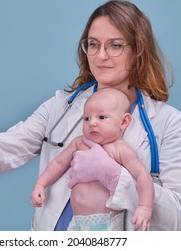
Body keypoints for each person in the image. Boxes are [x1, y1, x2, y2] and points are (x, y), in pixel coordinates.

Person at [0, 0, 181, 231]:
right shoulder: (61, 106)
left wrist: (117, 178)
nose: (101, 55)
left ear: (138, 50)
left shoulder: (167, 122)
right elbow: (9, 147)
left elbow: (179, 217)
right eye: (93, 44)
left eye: (115, 45)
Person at [31, 88, 154, 231]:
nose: (92, 123)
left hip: (106, 225)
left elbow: (142, 176)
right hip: (76, 223)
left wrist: (145, 207)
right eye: (87, 118)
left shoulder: (120, 150)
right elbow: (58, 163)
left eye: (101, 117)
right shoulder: (79, 143)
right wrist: (40, 184)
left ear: (124, 122)